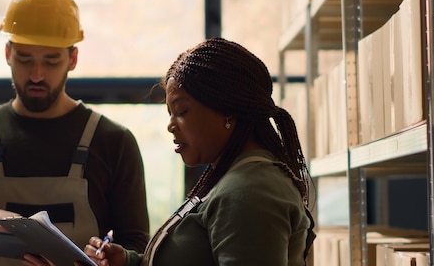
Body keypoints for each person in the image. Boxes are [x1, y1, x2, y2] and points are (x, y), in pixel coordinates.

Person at [0, 0, 150, 266]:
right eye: (25, 59)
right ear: (8, 54)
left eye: (51, 61)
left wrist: (109, 259)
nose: (37, 75)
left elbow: (139, 252)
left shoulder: (113, 142)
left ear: (73, 59)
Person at [76, 37, 316, 266]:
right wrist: (129, 262)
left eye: (181, 112)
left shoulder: (249, 191)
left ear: (227, 111)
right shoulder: (234, 180)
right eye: (169, 113)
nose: (170, 125)